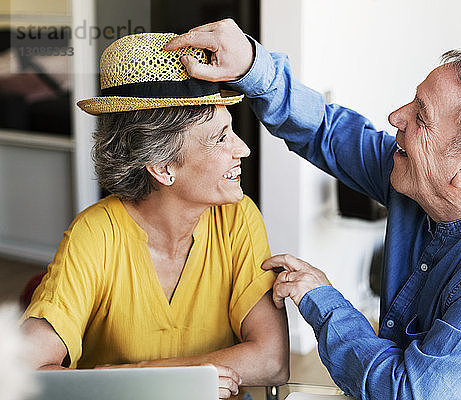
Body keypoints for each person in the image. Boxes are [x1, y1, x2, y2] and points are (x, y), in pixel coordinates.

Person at [165, 19, 461, 399]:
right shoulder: (425, 176)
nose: (394, 117)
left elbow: (405, 393)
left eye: (420, 116)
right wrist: (251, 65)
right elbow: (326, 131)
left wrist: (322, 300)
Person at [20, 32, 289, 400]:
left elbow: (272, 360)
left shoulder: (237, 217)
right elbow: (26, 373)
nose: (241, 148)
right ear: (162, 166)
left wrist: (141, 375)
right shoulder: (95, 234)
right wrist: (184, 380)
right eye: (220, 137)